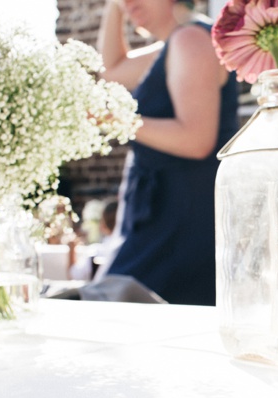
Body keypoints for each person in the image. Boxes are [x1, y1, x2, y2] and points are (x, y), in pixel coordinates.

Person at [96, 0, 239, 305]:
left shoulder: (191, 39)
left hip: (181, 219)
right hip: (165, 214)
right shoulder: (174, 44)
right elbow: (111, 72)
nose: (129, 3)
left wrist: (111, 118)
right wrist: (113, 8)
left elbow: (196, 140)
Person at [68, 199, 118, 281]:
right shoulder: (135, 252)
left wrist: (72, 249)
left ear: (102, 226)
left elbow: (74, 274)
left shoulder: (95, 252)